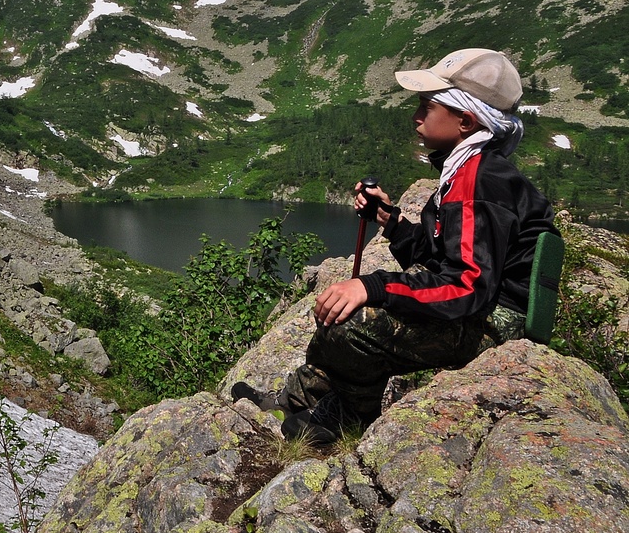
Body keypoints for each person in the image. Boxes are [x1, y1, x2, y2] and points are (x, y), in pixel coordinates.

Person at [233, 48, 559, 442]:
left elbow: (466, 285)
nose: (416, 116)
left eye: (427, 105)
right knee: (344, 308)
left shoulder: (480, 182)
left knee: (353, 321)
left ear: (466, 120)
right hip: (480, 307)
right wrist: (391, 219)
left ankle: (349, 418)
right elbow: (443, 257)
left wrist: (372, 286)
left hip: (496, 322)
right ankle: (297, 400)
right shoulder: (471, 167)